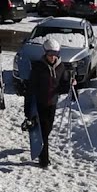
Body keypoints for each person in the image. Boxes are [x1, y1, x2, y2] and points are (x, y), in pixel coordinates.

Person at [23, 37, 75, 168]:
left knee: (48, 129)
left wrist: (70, 84)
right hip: (39, 104)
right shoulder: (38, 68)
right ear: (45, 53)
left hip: (52, 103)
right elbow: (30, 90)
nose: (52, 57)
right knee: (44, 132)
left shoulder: (61, 67)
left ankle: (42, 152)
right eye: (50, 54)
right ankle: (44, 159)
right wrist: (28, 110)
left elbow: (62, 86)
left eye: (55, 55)